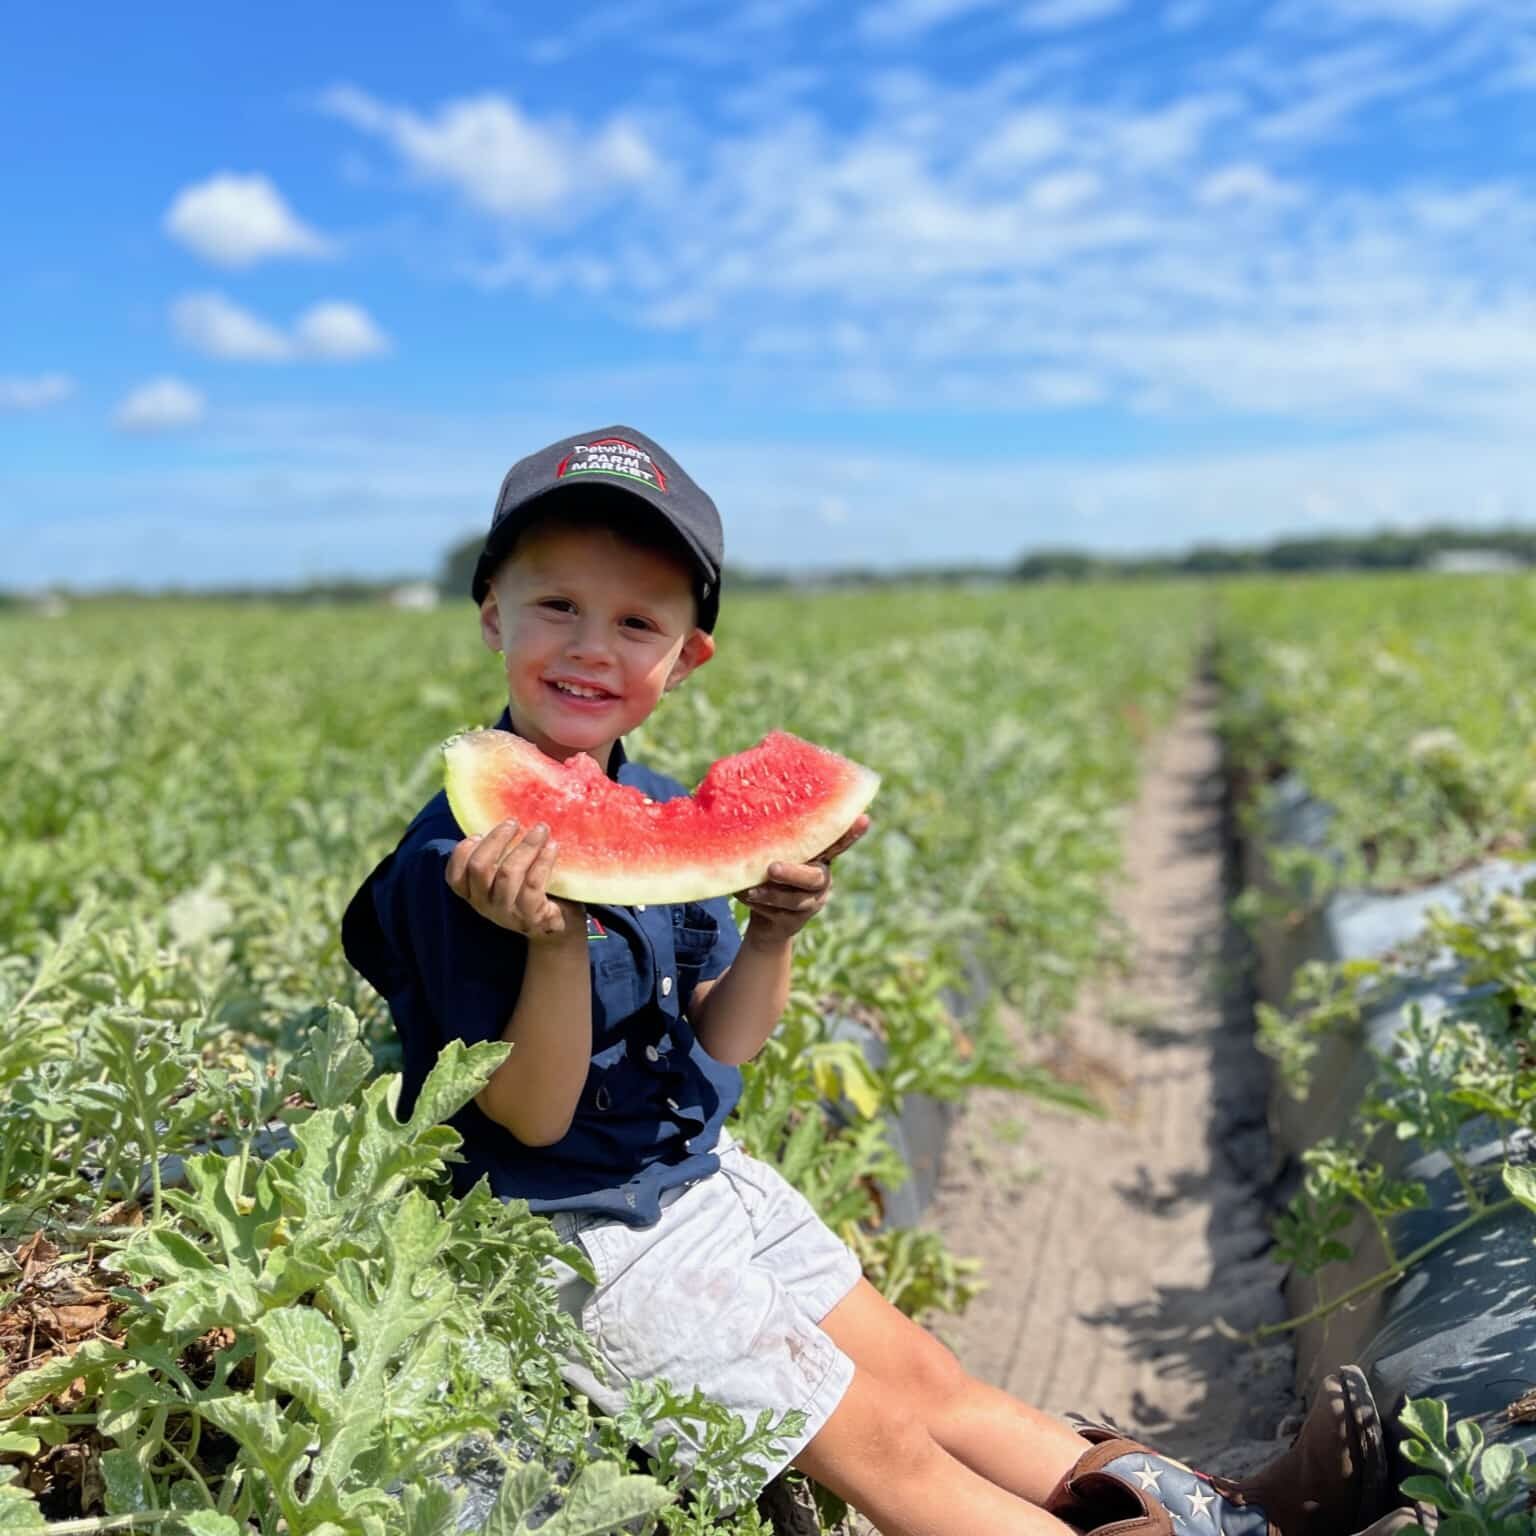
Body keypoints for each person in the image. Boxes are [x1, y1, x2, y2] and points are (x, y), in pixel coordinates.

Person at [341, 426, 1410, 1536]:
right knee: (885, 1446)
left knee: (930, 1381)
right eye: (555, 605)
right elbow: (528, 1113)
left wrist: (771, 935)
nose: (590, 648)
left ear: (685, 657)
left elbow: (726, 1043)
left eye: (636, 622)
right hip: (582, 1236)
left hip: (704, 1181)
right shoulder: (453, 867)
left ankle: (1227, 1516)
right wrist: (557, 944)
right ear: (489, 615)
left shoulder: (659, 805)